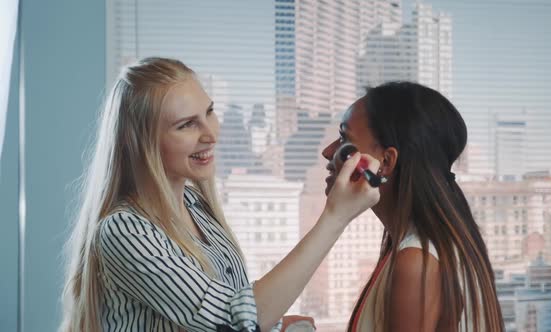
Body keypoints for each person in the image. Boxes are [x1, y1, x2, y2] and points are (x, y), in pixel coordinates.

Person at [60, 57, 380, 332]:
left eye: (209, 112)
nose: (210, 134)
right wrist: (335, 217)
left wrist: (274, 324)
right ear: (141, 143)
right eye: (186, 125)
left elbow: (234, 317)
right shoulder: (125, 231)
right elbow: (234, 319)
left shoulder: (196, 206)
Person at [322, 81, 504, 332]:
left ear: (385, 162)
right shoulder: (419, 248)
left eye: (344, 138)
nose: (328, 151)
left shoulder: (416, 261)